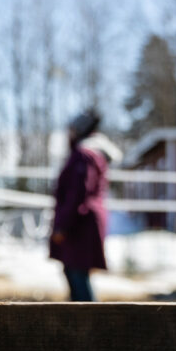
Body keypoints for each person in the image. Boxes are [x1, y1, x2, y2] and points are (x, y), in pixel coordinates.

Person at [49, 110, 120, 301]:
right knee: (74, 272)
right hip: (82, 223)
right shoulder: (91, 154)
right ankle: (79, 325)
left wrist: (63, 225)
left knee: (77, 275)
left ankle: (93, 325)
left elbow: (77, 194)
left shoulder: (84, 155)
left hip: (80, 225)